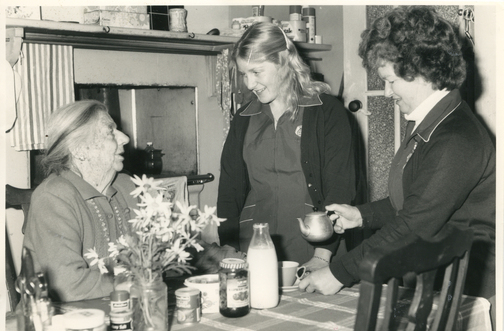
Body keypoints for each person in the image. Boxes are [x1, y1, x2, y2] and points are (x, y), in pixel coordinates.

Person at [299, 5, 495, 310]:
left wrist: (340, 272)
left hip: (468, 292)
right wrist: (362, 215)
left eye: (391, 80)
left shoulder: (455, 139)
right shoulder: (430, 121)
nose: (388, 93)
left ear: (423, 73)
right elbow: (413, 202)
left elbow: (413, 227)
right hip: (436, 279)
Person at [23, 100, 245, 302]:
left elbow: (174, 246)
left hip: (128, 311)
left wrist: (227, 257)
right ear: (80, 149)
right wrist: (141, 283)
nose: (125, 139)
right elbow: (66, 284)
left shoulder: (127, 185)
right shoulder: (53, 197)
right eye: (110, 132)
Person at [217, 22, 356, 267]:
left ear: (283, 60)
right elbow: (229, 188)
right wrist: (228, 246)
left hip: (316, 247)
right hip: (255, 246)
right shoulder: (243, 118)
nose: (249, 84)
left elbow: (340, 186)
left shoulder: (327, 112)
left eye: (257, 72)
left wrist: (322, 256)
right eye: (243, 74)